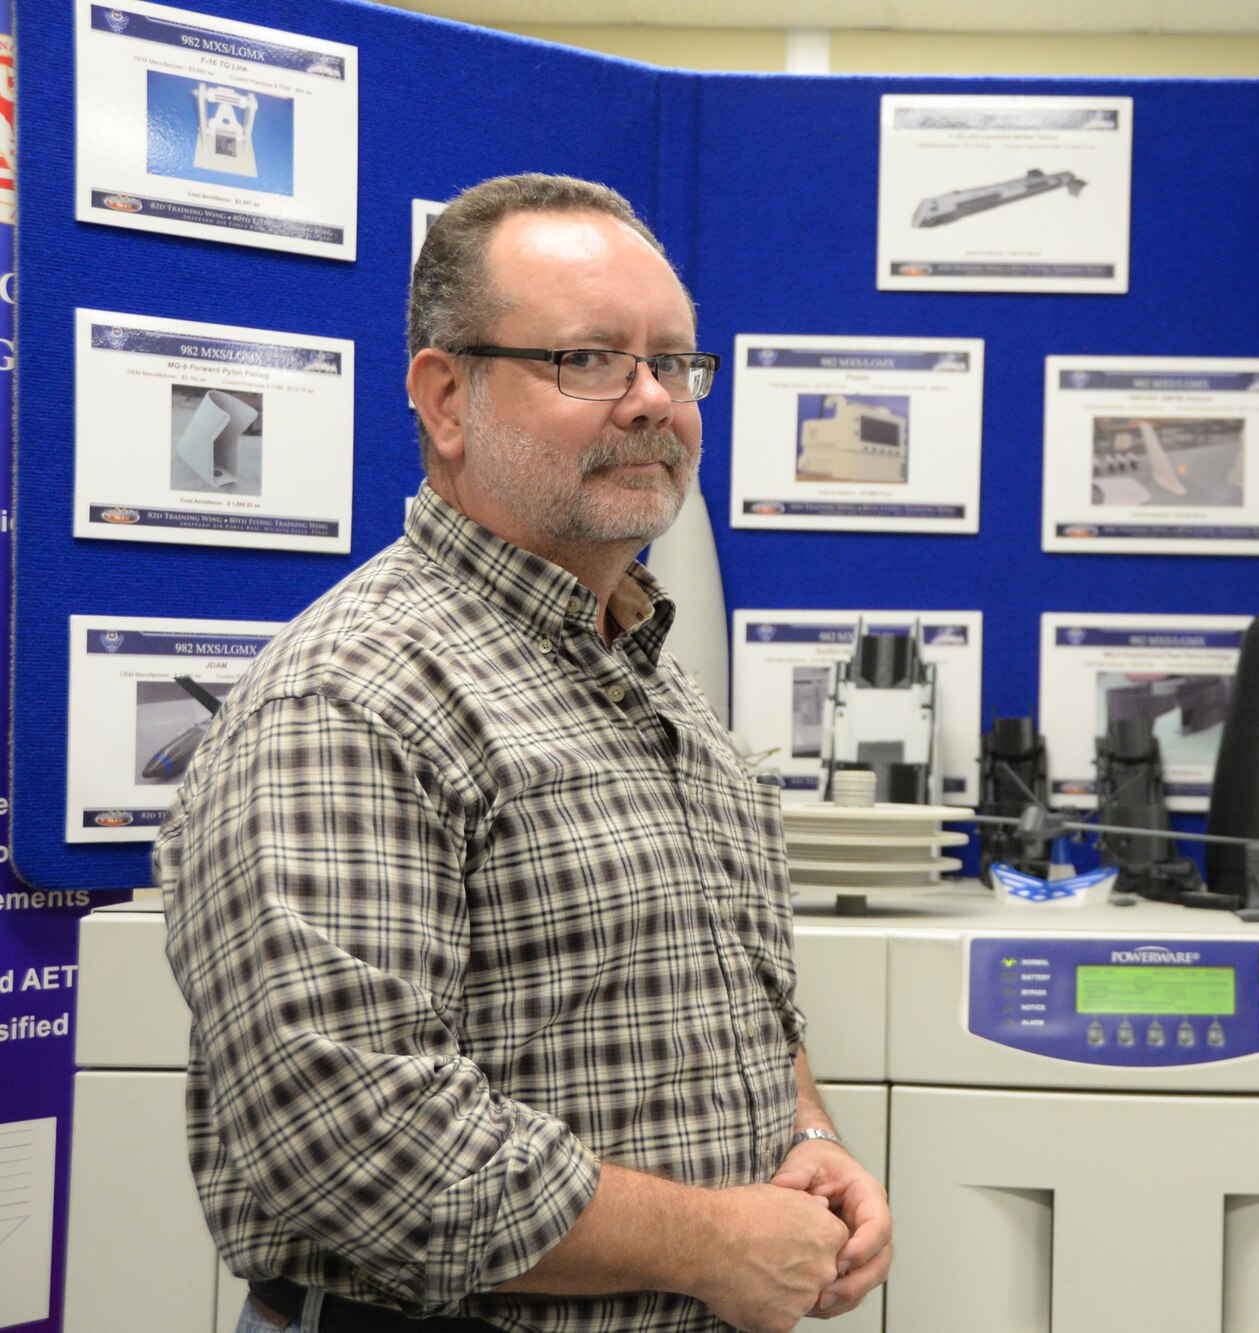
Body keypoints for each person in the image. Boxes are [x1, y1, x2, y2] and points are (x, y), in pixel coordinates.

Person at [158, 173, 890, 1333]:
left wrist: (806, 1136)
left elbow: (725, 996)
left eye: (676, 364)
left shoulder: (651, 679)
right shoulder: (353, 699)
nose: (653, 401)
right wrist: (714, 1242)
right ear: (446, 399)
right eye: (589, 359)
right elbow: (353, 1135)